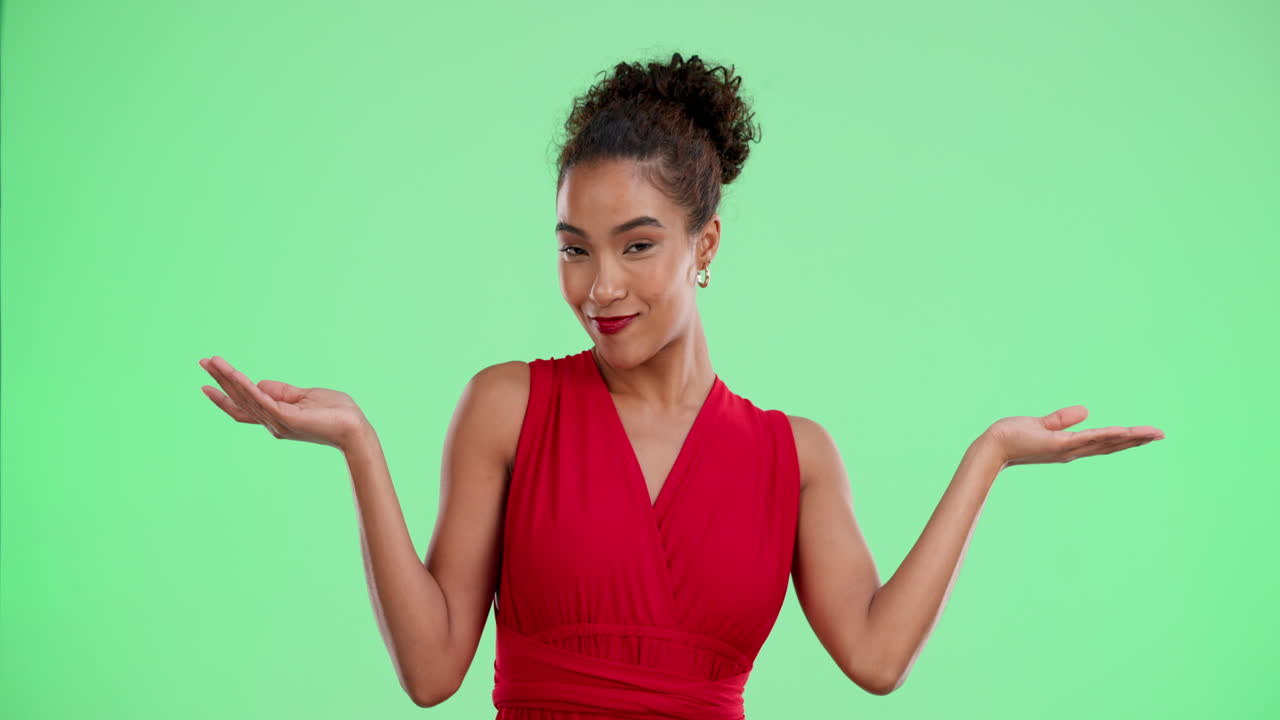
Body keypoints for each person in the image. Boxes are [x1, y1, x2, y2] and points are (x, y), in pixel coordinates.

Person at [197, 52, 1165, 718]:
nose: (599, 287)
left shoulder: (793, 458)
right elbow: (429, 670)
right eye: (574, 250)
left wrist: (987, 455)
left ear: (704, 246)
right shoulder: (509, 408)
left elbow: (875, 656)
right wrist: (359, 444)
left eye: (636, 246)